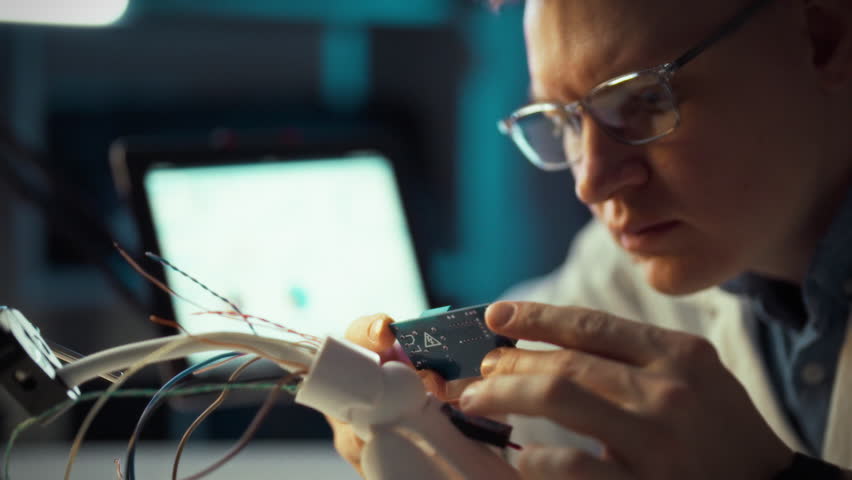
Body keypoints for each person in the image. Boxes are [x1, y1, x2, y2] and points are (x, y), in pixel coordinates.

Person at [331, 0, 852, 477]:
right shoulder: (629, 265)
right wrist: (422, 417)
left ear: (822, 37)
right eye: (564, 123)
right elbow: (515, 382)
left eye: (646, 99)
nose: (590, 182)